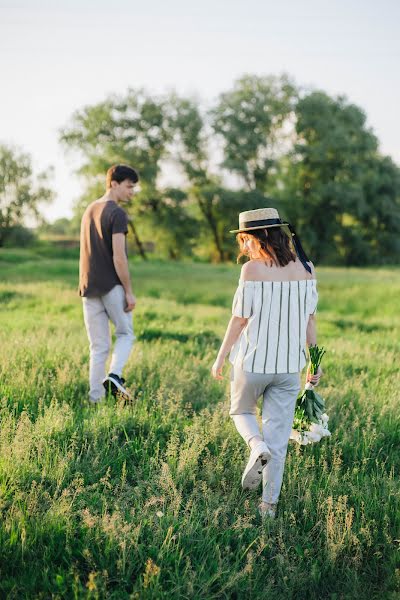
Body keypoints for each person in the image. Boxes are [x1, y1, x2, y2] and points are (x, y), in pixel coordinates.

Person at [211, 207, 322, 520]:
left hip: (253, 362)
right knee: (280, 440)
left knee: (242, 411)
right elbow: (310, 322)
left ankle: (255, 445)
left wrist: (221, 357)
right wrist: (315, 362)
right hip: (289, 368)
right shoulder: (307, 268)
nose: (243, 246)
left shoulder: (252, 270)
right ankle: (268, 507)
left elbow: (238, 320)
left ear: (255, 238)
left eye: (244, 239)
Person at [79, 164, 139, 403]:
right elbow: (119, 256)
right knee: (126, 333)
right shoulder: (117, 213)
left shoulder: (89, 210)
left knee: (99, 346)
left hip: (88, 285)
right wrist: (129, 291)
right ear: (114, 183)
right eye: (129, 186)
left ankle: (96, 399)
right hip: (111, 285)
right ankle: (114, 376)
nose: (132, 192)